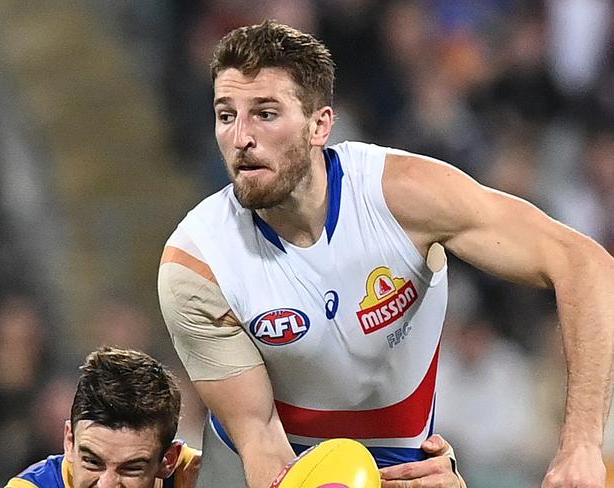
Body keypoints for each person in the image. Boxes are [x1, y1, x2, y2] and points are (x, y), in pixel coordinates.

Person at [157, 20, 614, 488]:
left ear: (320, 125)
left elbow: (586, 263)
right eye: (226, 115)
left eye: (265, 113)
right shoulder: (198, 265)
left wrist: (580, 447)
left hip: (407, 466)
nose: (240, 138)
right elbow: (261, 443)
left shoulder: (403, 198)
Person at [4, 346, 201, 488]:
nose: (106, 484)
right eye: (92, 462)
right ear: (70, 442)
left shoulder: (199, 477)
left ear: (169, 460)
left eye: (131, 469)